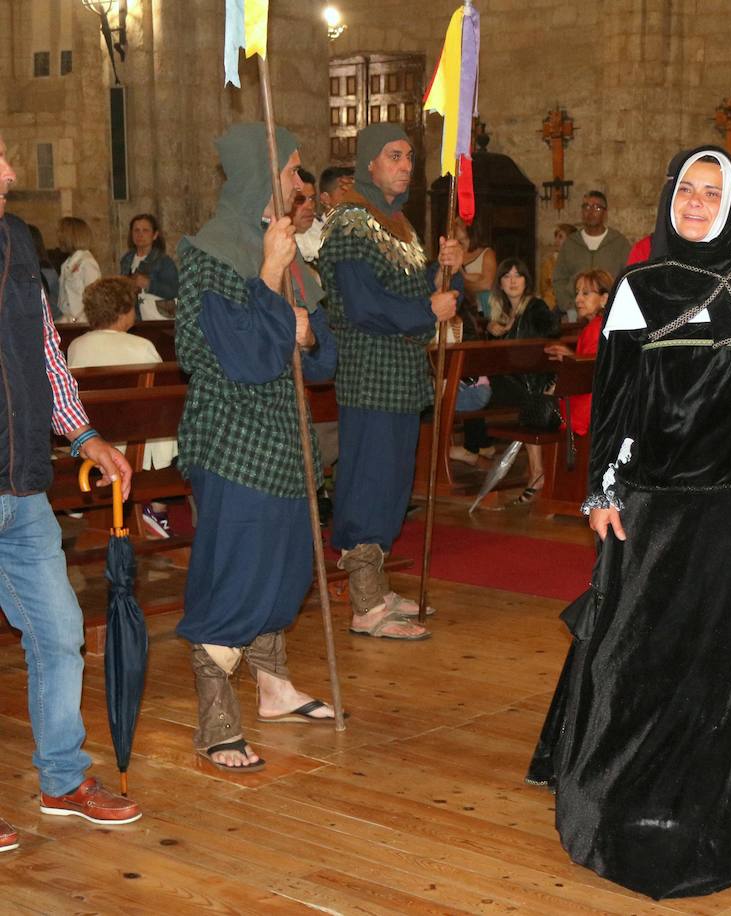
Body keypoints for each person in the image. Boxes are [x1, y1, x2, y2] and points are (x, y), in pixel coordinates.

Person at [527, 146, 731, 899]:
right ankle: (623, 791)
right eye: (686, 191)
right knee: (634, 653)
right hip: (652, 508)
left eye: (712, 192)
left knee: (717, 665)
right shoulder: (639, 285)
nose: (696, 203)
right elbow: (620, 396)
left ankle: (709, 798)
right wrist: (601, 490)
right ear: (670, 198)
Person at [174, 123, 341, 771]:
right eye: (294, 171)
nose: (303, 184)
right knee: (236, 568)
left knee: (284, 563)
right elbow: (238, 356)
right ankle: (216, 714)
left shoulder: (288, 247)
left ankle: (273, 688)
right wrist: (270, 275)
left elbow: (317, 355)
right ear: (259, 174)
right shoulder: (212, 251)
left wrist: (299, 328)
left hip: (283, 434)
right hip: (232, 437)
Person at [0, 131, 142, 846]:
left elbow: (47, 353)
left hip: (21, 485)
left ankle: (61, 778)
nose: (12, 167)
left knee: (59, 635)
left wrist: (84, 435)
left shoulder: (18, 243)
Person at [318, 123, 460, 640]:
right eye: (394, 156)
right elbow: (363, 306)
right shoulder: (352, 223)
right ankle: (363, 603)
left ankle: (376, 588)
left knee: (394, 482)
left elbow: (419, 291)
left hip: (400, 376)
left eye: (410, 157)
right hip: (371, 373)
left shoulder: (396, 223)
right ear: (369, 165)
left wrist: (449, 272)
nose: (405, 165)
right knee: (369, 481)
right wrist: (428, 307)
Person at [67, 277, 180, 537]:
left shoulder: (77, 345)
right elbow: (158, 398)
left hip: (93, 444)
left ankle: (83, 503)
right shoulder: (142, 346)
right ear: (123, 312)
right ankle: (157, 509)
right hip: (136, 448)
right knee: (165, 428)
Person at [484, 257, 560, 506]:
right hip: (515, 381)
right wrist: (490, 331)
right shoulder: (499, 313)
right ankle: (534, 473)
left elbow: (552, 329)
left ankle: (536, 474)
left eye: (518, 275)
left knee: (530, 398)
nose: (513, 280)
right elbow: (495, 357)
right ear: (501, 283)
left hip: (537, 380)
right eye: (507, 276)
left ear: (526, 281)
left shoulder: (535, 306)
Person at [545, 267, 612, 437]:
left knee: (534, 409)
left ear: (604, 298)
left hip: (583, 412)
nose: (578, 299)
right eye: (577, 293)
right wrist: (571, 357)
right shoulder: (606, 325)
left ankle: (539, 465)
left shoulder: (595, 328)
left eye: (586, 294)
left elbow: (587, 374)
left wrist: (554, 391)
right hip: (602, 407)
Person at [551, 190, 632, 307]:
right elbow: (559, 279)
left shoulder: (619, 243)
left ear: (605, 213)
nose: (590, 212)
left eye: (596, 208)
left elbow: (628, 278)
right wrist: (568, 306)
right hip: (575, 311)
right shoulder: (571, 244)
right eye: (586, 207)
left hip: (609, 310)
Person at [119, 213, 179, 320]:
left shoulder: (164, 261)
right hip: (134, 320)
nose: (140, 235)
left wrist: (149, 284)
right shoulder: (126, 260)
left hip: (158, 321)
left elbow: (175, 291)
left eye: (145, 230)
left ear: (155, 235)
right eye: (136, 230)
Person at [56, 216, 100, 323]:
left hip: (82, 324)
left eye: (61, 232)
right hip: (67, 321)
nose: (58, 236)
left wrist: (77, 320)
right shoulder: (66, 263)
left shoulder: (87, 262)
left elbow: (94, 299)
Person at [454, 220, 496, 301]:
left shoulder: (487, 253)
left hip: (483, 309)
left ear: (469, 227)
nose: (453, 228)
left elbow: (487, 285)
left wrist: (461, 284)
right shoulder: (454, 253)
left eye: (457, 224)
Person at [540, 222, 576, 314]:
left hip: (571, 306)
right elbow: (543, 288)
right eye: (556, 236)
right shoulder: (548, 263)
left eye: (560, 237)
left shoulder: (576, 262)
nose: (556, 240)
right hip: (551, 306)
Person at [291, 169, 322, 269]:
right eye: (300, 200)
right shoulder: (280, 245)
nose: (309, 206)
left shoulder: (323, 229)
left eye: (311, 198)